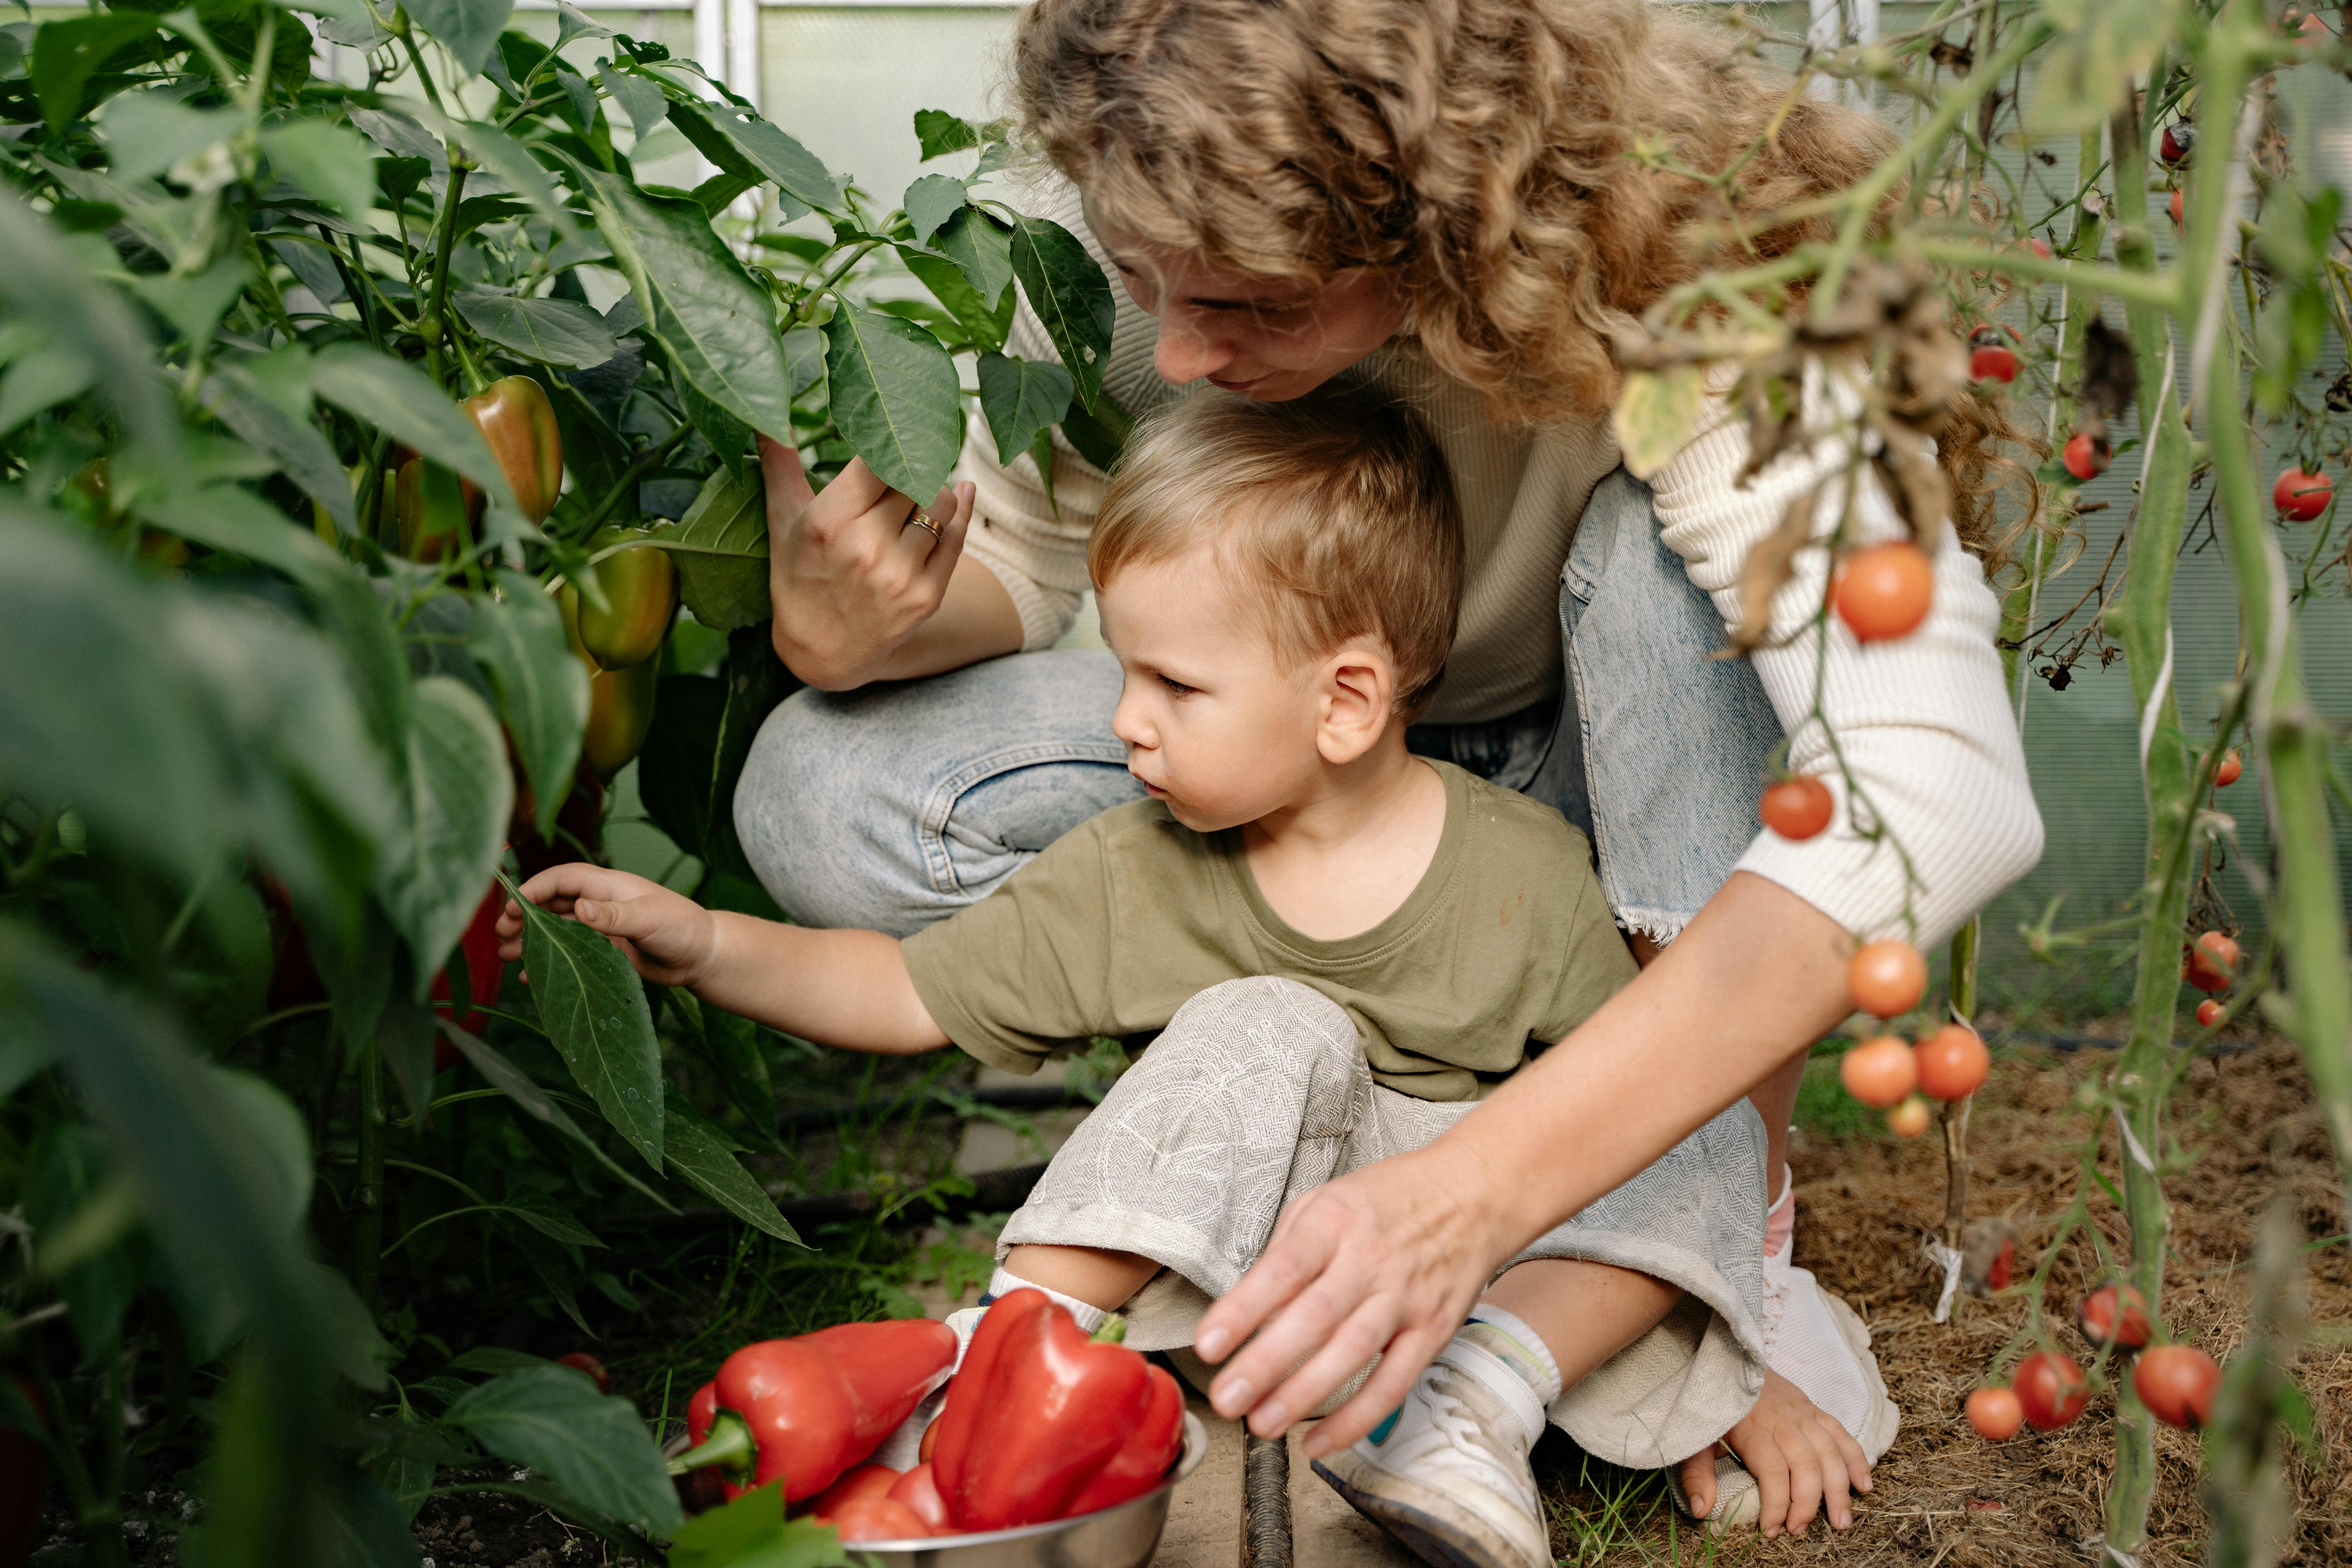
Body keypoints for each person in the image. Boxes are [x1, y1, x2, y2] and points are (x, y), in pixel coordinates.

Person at [733, 0, 2044, 1540]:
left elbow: (1933, 790)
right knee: (819, 790)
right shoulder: (1130, 194)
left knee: (1669, 581)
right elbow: (1016, 569)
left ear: (1446, 218)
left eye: (1248, 308)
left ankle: (1712, 1246)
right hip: (1303, 774)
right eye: (1138, 278)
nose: (1173, 352)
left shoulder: (1687, 280)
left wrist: (1471, 1197)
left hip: (1585, 799)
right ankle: (1337, 1131)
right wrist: (845, 637)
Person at [505, 392, 1796, 1568]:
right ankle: (1004, 1352)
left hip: (1481, 1278)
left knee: (1692, 1108)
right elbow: (906, 992)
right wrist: (708, 944)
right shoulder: (1140, 865)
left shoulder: (1526, 875)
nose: (1123, 721)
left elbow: (1646, 1138)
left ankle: (1473, 1408)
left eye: (1173, 684)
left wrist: (1734, 1344)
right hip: (1258, 1256)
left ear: (1347, 701)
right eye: (1122, 669)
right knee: (1260, 1021)